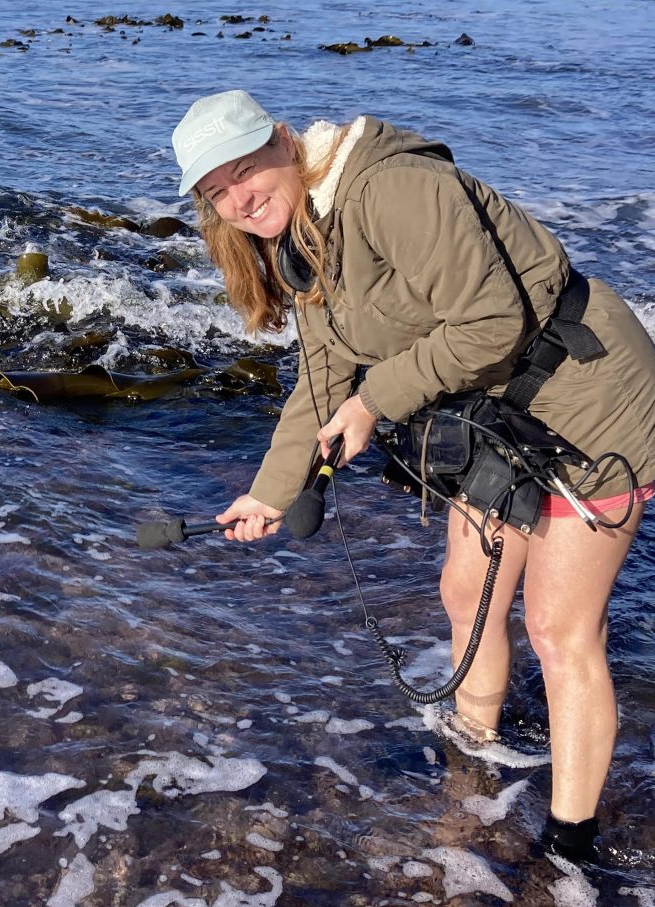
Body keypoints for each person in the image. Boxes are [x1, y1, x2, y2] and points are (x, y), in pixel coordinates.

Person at [171, 89, 655, 862]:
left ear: (284, 141)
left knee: (559, 628)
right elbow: (324, 373)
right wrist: (273, 489)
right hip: (500, 410)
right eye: (215, 190)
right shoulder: (305, 235)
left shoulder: (393, 187)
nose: (238, 197)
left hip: (590, 397)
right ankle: (477, 760)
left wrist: (376, 402)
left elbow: (493, 320)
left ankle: (571, 848)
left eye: (245, 170)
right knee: (467, 592)